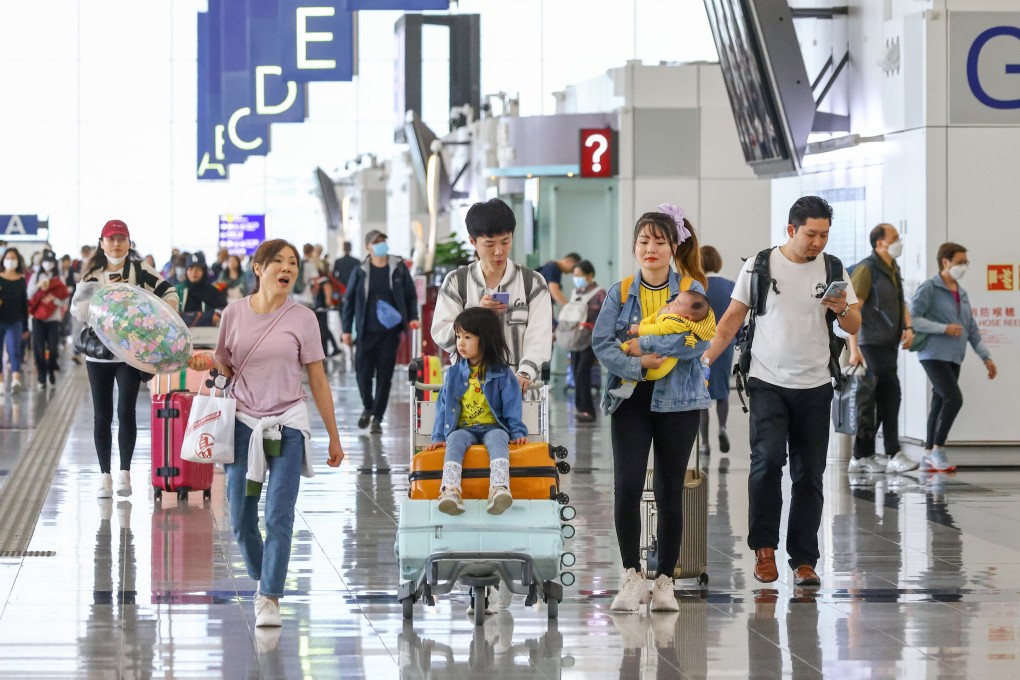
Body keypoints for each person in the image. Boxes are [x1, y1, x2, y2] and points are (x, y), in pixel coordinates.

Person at [702, 196, 861, 588]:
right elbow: (729, 322)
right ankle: (764, 550)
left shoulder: (834, 269)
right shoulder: (759, 266)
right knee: (767, 462)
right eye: (811, 234)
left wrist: (842, 308)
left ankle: (804, 559)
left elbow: (855, 324)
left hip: (816, 384)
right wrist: (701, 363)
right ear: (791, 230)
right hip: (767, 381)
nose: (817, 242)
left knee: (810, 475)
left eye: (824, 234)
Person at [188, 238, 345, 628]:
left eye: (292, 262)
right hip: (242, 425)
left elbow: (318, 380)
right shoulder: (234, 313)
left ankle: (269, 595)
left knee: (278, 514)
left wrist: (334, 436)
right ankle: (265, 575)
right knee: (242, 517)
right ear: (258, 268)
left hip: (288, 426)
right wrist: (206, 361)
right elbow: (225, 366)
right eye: (278, 261)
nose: (287, 268)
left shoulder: (304, 319)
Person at [592, 203, 713, 614]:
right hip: (630, 399)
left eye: (659, 242)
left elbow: (695, 341)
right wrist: (635, 364)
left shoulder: (691, 290)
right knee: (626, 487)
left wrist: (642, 342)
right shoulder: (620, 291)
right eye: (644, 241)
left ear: (674, 247)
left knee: (668, 490)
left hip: (679, 401)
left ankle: (664, 581)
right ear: (634, 246)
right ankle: (631, 576)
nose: (651, 249)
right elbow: (601, 343)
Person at [71, 220, 179, 498]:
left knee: (126, 411)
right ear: (101, 242)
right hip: (100, 356)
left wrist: (157, 321)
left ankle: (125, 474)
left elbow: (169, 294)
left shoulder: (141, 270)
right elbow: (78, 309)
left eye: (121, 238)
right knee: (102, 415)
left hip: (131, 355)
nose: (116, 244)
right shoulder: (93, 273)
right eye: (111, 239)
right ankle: (104, 475)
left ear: (129, 242)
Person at [431, 199, 553, 392]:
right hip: (469, 397)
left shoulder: (533, 283)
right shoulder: (456, 282)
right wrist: (476, 315)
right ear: (473, 241)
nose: (499, 251)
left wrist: (525, 373)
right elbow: (442, 335)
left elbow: (540, 337)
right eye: (489, 244)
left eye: (505, 241)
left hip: (520, 394)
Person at [426, 307, 528, 516]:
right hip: (464, 428)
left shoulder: (502, 373)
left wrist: (517, 431)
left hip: (493, 427)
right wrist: (438, 435)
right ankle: (450, 491)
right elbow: (443, 405)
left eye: (468, 337)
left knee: (500, 437)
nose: (460, 343)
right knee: (454, 441)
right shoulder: (454, 373)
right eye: (458, 337)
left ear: (486, 339)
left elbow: (512, 404)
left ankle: (499, 488)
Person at [908, 242, 996, 472]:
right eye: (959, 262)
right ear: (945, 262)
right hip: (932, 354)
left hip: (955, 356)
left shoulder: (962, 293)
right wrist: (943, 328)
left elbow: (971, 328)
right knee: (954, 398)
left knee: (939, 402)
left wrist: (986, 357)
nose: (964, 267)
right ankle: (938, 448)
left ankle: (927, 454)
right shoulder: (930, 287)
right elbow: (913, 318)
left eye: (966, 263)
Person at [846, 224, 919, 474]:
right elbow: (853, 310)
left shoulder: (892, 267)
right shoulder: (868, 269)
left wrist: (908, 328)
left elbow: (901, 301)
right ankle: (892, 452)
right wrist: (854, 350)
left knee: (880, 399)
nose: (899, 242)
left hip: (888, 344)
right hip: (870, 344)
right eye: (894, 238)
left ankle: (862, 454)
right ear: (879, 244)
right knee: (890, 394)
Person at [341, 230, 420, 434]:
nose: (381, 244)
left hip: (390, 333)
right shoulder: (360, 270)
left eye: (383, 241)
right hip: (366, 331)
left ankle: (377, 417)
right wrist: (346, 329)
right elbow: (349, 300)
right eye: (376, 242)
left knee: (385, 376)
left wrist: (413, 317)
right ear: (368, 247)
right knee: (362, 373)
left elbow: (411, 295)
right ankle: (369, 406)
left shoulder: (398, 268)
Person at [606, 290, 715, 399]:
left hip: (660, 364)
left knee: (626, 349)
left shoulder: (676, 322)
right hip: (660, 364)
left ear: (687, 317)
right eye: (675, 300)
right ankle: (628, 385)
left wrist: (639, 329)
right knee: (629, 353)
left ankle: (627, 381)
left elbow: (658, 329)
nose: (671, 303)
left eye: (677, 303)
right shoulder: (681, 319)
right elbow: (654, 319)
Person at [699, 245, 736, 457]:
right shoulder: (730, 286)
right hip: (724, 346)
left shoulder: (697, 287)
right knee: (722, 390)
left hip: (701, 346)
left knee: (701, 392)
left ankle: (704, 443)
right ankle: (722, 427)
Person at [569, 260, 606, 422]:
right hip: (576, 337)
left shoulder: (600, 293)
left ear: (590, 276)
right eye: (575, 275)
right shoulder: (576, 292)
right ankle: (580, 407)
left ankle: (588, 409)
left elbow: (604, 316)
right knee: (576, 371)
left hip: (591, 338)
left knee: (582, 372)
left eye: (580, 275)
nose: (576, 278)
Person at [27, 252, 70, 389]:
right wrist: (39, 285)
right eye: (46, 261)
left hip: (53, 318)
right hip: (37, 318)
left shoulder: (59, 278)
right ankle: (41, 377)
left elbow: (65, 297)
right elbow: (28, 294)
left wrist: (54, 299)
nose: (48, 264)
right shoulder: (36, 276)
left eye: (51, 261)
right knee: (39, 349)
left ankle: (51, 370)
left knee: (53, 348)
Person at [0, 248, 29, 394]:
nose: (10, 260)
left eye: (13, 258)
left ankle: (15, 380)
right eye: (8, 257)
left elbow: (25, 304)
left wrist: (25, 327)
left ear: (17, 261)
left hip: (15, 321)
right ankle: (0, 382)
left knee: (14, 350)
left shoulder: (21, 280)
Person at [176, 254, 228, 325]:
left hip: (209, 333)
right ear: (186, 271)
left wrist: (186, 317)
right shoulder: (177, 291)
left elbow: (222, 313)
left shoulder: (213, 292)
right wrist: (207, 318)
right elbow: (173, 316)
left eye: (198, 269)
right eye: (190, 269)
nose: (194, 272)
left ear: (204, 271)